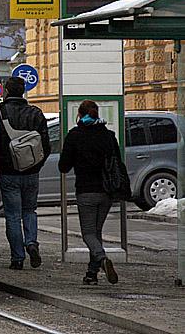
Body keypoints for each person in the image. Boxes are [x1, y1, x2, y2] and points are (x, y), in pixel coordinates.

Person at [58, 100, 121, 285]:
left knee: (88, 234)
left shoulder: (75, 135)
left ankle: (102, 259)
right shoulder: (108, 135)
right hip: (106, 191)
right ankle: (91, 274)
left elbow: (64, 166)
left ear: (79, 114)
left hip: (86, 191)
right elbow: (117, 160)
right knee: (96, 232)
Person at [0, 76, 51, 270]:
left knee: (12, 215)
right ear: (23, 91)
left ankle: (17, 258)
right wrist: (36, 165)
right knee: (30, 211)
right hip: (31, 172)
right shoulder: (35, 113)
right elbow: (46, 145)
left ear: (6, 92)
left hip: (8, 173)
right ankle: (32, 243)